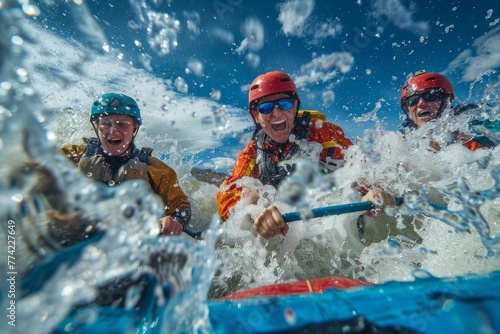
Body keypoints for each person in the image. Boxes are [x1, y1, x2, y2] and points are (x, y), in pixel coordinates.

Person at [216, 71, 355, 239]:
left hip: (329, 225)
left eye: (285, 104)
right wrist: (254, 214)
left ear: (295, 106)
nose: (277, 113)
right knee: (249, 193)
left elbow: (361, 168)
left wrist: (369, 191)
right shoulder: (251, 153)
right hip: (287, 228)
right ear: (256, 116)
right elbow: (227, 195)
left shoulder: (325, 134)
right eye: (265, 107)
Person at [61, 93, 191, 236]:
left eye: (122, 124)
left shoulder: (155, 168)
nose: (113, 131)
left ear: (134, 128)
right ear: (97, 127)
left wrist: (174, 220)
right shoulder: (74, 155)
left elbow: (181, 207)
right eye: (106, 124)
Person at [399, 70, 497, 151]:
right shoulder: (402, 138)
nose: (421, 103)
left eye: (430, 95)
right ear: (408, 109)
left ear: (447, 100)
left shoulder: (469, 120)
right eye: (412, 100)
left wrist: (470, 140)